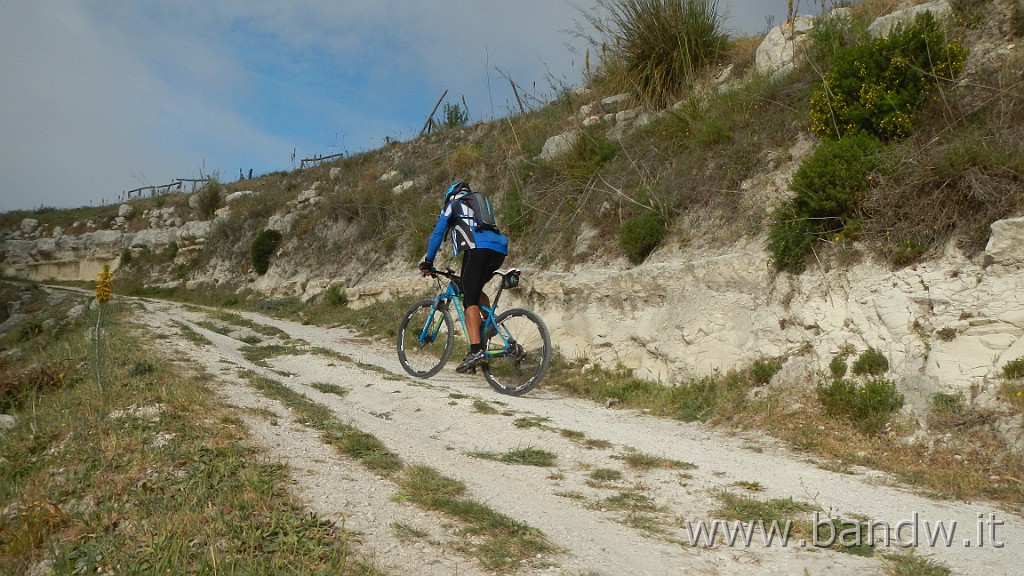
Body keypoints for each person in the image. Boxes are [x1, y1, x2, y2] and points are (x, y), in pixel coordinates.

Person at [419, 181, 508, 373]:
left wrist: (428, 261)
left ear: (450, 196)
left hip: (477, 250)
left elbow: (438, 233)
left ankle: (475, 351)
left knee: (469, 301)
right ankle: (489, 325)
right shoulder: (477, 204)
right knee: (474, 291)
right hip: (499, 250)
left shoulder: (453, 205)